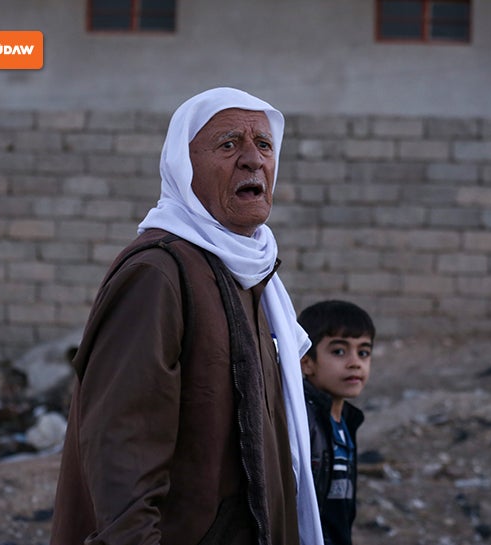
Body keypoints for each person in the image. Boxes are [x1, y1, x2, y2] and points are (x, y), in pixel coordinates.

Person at [50, 88, 323, 545]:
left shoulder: (251, 276)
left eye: (264, 145)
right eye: (229, 145)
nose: (254, 160)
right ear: (184, 166)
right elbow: (123, 448)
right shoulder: (157, 274)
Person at [297, 300, 375, 545]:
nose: (355, 362)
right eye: (339, 352)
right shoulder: (302, 420)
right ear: (306, 362)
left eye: (363, 353)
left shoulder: (346, 421)